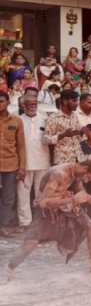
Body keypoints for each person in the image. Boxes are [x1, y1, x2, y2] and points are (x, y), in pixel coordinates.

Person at [0, 159, 91, 284]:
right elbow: (44, 202)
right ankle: (8, 271)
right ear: (85, 168)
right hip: (47, 209)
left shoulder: (77, 174)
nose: (89, 180)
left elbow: (85, 197)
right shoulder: (59, 174)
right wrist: (71, 200)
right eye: (90, 177)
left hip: (65, 204)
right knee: (30, 244)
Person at [17, 93, 49, 232]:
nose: (32, 106)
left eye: (35, 104)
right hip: (24, 163)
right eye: (29, 104)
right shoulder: (18, 120)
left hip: (43, 161)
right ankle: (25, 222)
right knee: (23, 192)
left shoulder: (45, 119)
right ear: (23, 105)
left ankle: (40, 221)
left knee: (41, 192)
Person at [0, 91, 26, 238]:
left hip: (11, 164)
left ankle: (5, 226)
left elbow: (21, 146)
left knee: (9, 196)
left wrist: (22, 167)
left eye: (1, 101)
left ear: (8, 102)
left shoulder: (16, 121)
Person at [44, 90, 85, 165]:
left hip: (78, 158)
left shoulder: (75, 116)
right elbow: (46, 139)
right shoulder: (53, 118)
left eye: (77, 101)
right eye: (74, 101)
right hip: (62, 161)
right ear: (65, 101)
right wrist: (63, 135)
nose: (76, 104)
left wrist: (82, 132)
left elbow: (77, 136)